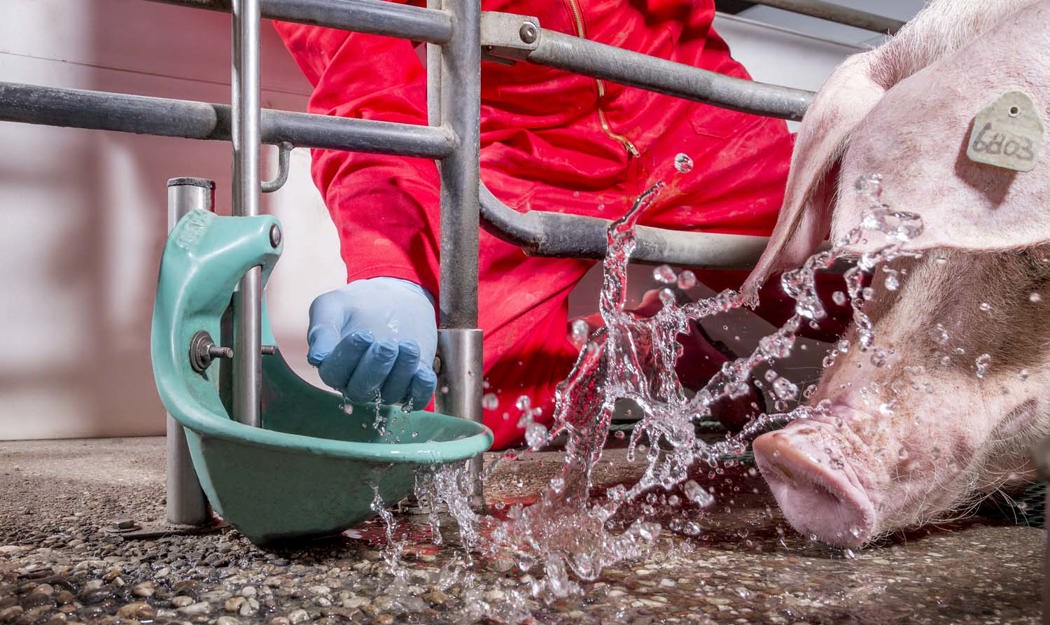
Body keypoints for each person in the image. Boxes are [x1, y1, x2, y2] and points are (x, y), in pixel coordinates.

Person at [273, 0, 840, 450]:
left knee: (864, 279)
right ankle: (644, 352)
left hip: (692, 110)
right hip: (510, 146)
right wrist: (390, 269)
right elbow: (365, 97)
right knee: (453, 408)